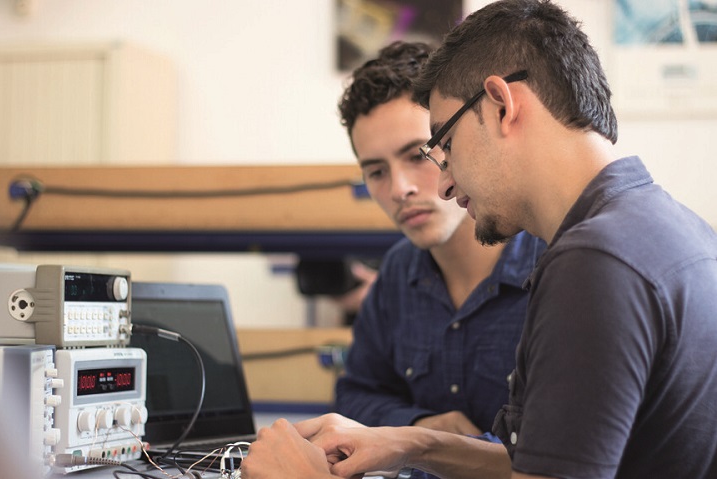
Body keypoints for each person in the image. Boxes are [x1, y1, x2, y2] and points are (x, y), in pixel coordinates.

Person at [241, 1, 717, 478]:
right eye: (378, 171)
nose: (443, 181)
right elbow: (539, 464)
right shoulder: (677, 229)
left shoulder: (594, 262)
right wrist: (418, 441)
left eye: (442, 145)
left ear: (501, 105)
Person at [333, 40, 545, 444]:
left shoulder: (555, 262)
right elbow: (354, 396)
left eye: (418, 155)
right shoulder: (398, 272)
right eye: (376, 171)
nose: (400, 189)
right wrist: (419, 424)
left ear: (455, 139)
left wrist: (437, 449)